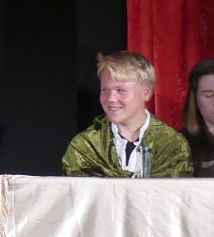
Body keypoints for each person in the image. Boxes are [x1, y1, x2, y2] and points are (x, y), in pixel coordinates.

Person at [63, 50, 192, 178]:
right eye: (105, 90)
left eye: (121, 90)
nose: (111, 98)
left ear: (146, 93)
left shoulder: (171, 145)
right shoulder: (85, 146)